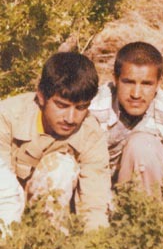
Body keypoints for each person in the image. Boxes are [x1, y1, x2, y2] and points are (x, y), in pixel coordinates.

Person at [0, 52, 110, 231]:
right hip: (6, 207)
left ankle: (49, 241)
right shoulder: (7, 117)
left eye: (81, 108)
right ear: (41, 96)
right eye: (62, 105)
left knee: (61, 168)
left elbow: (94, 202)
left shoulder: (91, 133)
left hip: (56, 215)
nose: (70, 118)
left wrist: (96, 243)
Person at [90, 42, 163, 195]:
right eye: (128, 82)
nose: (136, 94)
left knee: (143, 145)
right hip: (93, 187)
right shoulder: (93, 108)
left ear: (158, 84)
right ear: (115, 79)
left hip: (142, 192)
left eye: (146, 84)